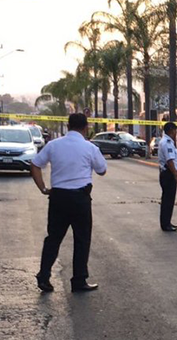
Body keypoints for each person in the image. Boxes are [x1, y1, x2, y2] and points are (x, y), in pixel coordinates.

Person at [31, 113, 107, 293]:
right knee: (82, 239)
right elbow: (102, 170)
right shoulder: (90, 147)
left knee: (54, 238)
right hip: (80, 198)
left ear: (67, 126)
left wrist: (43, 188)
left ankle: (44, 275)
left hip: (58, 197)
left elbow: (35, 165)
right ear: (86, 127)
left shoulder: (53, 145)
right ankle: (79, 280)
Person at [158, 122, 177, 232]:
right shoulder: (167, 143)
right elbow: (170, 161)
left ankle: (167, 222)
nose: (176, 132)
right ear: (172, 130)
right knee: (168, 200)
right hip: (168, 174)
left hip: (167, 173)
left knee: (168, 200)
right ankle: (166, 224)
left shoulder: (166, 141)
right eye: (175, 130)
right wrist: (175, 175)